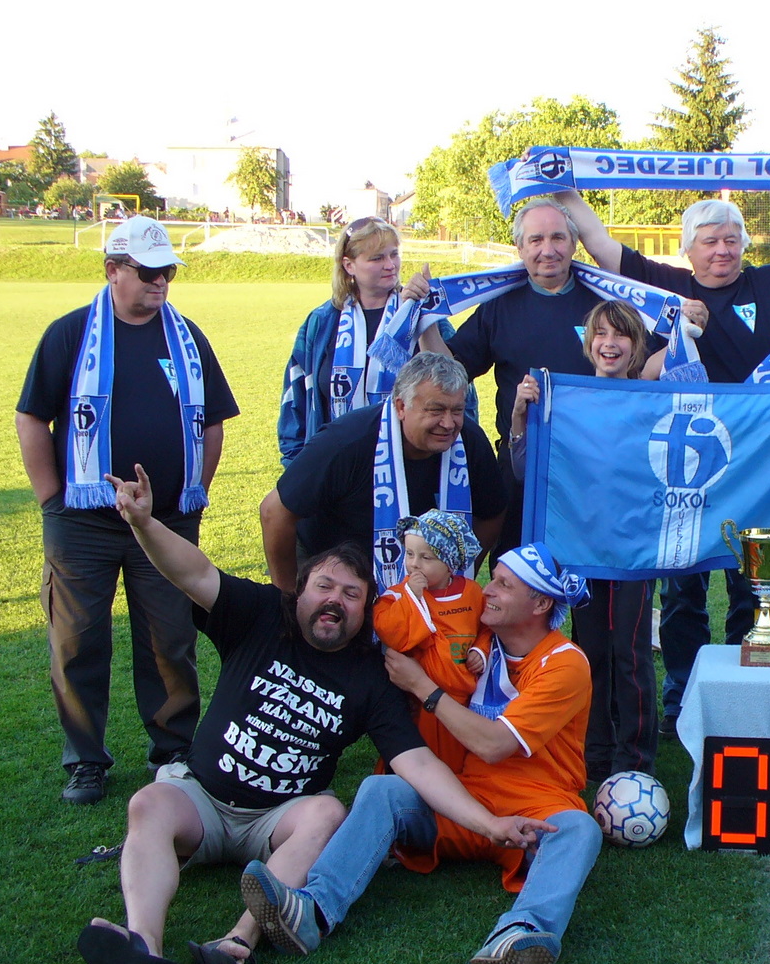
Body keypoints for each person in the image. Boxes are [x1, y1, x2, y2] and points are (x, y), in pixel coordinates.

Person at [75, 467, 548, 964]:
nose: (335, 600)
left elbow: (418, 765)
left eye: (352, 594)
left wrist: (490, 824)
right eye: (324, 585)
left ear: (367, 611)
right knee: (148, 802)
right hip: (203, 801)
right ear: (300, 591)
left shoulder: (372, 676)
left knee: (327, 811)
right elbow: (194, 573)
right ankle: (143, 941)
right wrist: (144, 524)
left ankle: (238, 942)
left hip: (280, 821)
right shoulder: (259, 615)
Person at [559, 188, 770, 733]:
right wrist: (565, 190)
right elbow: (601, 247)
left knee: (750, 578)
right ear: (688, 249)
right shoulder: (666, 285)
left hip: (756, 463)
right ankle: (682, 692)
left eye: (732, 239)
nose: (722, 250)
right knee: (682, 584)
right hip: (684, 458)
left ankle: (741, 688)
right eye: (710, 241)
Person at [241, 543, 602, 964]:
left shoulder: (565, 664)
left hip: (534, 811)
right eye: (492, 579)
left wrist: (424, 688)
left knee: (579, 829)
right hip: (463, 803)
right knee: (383, 789)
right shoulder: (476, 642)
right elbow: (411, 617)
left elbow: (493, 745)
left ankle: (520, 934)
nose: (487, 590)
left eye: (504, 585)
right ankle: (312, 911)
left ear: (541, 604)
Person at [15, 216, 240, 804]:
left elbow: (213, 422)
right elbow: (31, 417)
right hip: (83, 524)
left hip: (165, 523)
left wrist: (191, 494)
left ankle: (173, 752)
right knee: (77, 641)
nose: (160, 281)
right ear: (112, 270)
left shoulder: (187, 338)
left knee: (170, 640)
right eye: (147, 271)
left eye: (168, 272)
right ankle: (85, 761)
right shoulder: (69, 335)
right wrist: (52, 500)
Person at [424, 197, 677, 565]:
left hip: (597, 471)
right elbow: (449, 372)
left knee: (591, 579)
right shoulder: (499, 305)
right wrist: (425, 320)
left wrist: (682, 332)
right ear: (520, 246)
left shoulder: (606, 302)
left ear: (574, 243)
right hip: (524, 467)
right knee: (517, 576)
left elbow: (648, 361)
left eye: (558, 237)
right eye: (536, 239)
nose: (548, 250)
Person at [507, 300, 661, 778]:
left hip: (634, 551)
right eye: (601, 334)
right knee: (589, 652)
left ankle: (636, 760)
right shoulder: (563, 401)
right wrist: (520, 416)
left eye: (621, 335)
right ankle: (593, 754)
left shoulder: (650, 401)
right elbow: (524, 471)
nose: (609, 344)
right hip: (582, 551)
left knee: (630, 654)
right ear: (588, 342)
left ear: (636, 347)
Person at [260, 352, 507, 595]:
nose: (448, 423)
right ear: (401, 406)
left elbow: (492, 512)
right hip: (332, 567)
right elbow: (274, 512)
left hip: (421, 577)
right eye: (435, 410)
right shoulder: (346, 441)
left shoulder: (469, 442)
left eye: (457, 410)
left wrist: (459, 572)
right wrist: (287, 596)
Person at [276, 217, 468, 466]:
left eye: (394, 254)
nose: (390, 265)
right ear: (349, 265)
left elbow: (457, 388)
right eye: (377, 258)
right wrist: (295, 462)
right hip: (337, 464)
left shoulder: (420, 313)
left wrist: (425, 317)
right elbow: (295, 397)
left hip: (410, 466)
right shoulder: (322, 322)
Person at [372, 509, 490, 772]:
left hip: (463, 700)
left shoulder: (472, 593)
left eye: (426, 557)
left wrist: (481, 652)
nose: (414, 564)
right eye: (409, 554)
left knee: (459, 764)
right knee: (416, 762)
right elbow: (391, 633)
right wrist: (412, 597)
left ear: (450, 562)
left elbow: (487, 629)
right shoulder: (397, 596)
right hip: (418, 702)